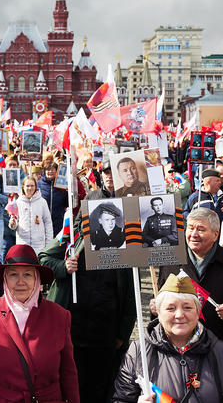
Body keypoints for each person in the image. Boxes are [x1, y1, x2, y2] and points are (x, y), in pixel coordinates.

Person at [40, 159, 136, 402]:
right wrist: (64, 266)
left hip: (105, 334)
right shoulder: (73, 238)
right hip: (72, 331)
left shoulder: (123, 249)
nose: (104, 219)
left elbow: (131, 298)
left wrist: (123, 335)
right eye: (97, 213)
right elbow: (43, 259)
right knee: (71, 387)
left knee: (101, 389)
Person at [0, 244, 80, 402]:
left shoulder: (59, 315)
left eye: (28, 275)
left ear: (37, 279)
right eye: (13, 275)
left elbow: (68, 373)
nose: (20, 282)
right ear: (5, 279)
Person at [112, 274, 223, 402]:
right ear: (158, 312)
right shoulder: (140, 351)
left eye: (187, 307)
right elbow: (121, 399)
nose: (179, 315)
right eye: (170, 308)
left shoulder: (221, 351)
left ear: (198, 312)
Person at [155, 208, 223, 349]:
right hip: (179, 346)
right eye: (190, 228)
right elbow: (161, 302)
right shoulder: (171, 259)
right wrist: (155, 307)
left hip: (220, 347)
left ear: (215, 234)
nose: (194, 234)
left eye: (201, 229)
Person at [9, 176, 53, 254]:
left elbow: (48, 223)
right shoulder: (17, 202)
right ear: (23, 187)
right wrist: (12, 223)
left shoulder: (42, 202)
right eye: (27, 186)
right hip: (22, 244)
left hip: (39, 245)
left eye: (32, 186)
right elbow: (13, 223)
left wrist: (48, 243)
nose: (30, 188)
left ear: (35, 187)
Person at [37, 161, 69, 236]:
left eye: (52, 169)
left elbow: (66, 203)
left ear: (57, 171)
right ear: (44, 171)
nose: (50, 171)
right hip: (42, 222)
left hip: (58, 221)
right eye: (48, 169)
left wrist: (67, 192)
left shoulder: (62, 185)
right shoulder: (38, 184)